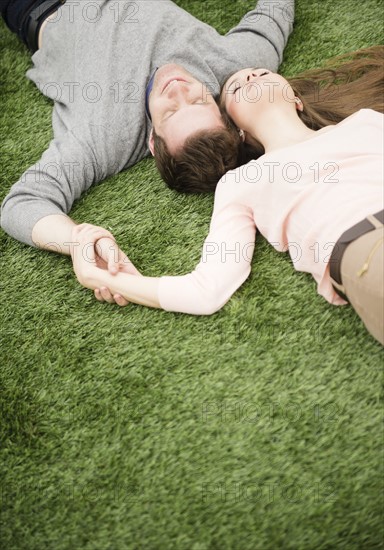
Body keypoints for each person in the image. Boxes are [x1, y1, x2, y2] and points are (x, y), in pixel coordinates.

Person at [69, 46, 384, 346]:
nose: (250, 77)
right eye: (235, 87)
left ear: (296, 100)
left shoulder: (366, 120)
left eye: (259, 72)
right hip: (367, 248)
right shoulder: (241, 182)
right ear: (238, 132)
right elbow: (207, 290)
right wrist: (100, 276)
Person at [0, 0, 294, 276]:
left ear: (154, 141)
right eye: (199, 101)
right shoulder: (236, 68)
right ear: (220, 109)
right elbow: (274, 13)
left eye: (170, 112)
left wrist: (77, 240)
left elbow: (23, 203)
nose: (178, 89)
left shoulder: (103, 137)